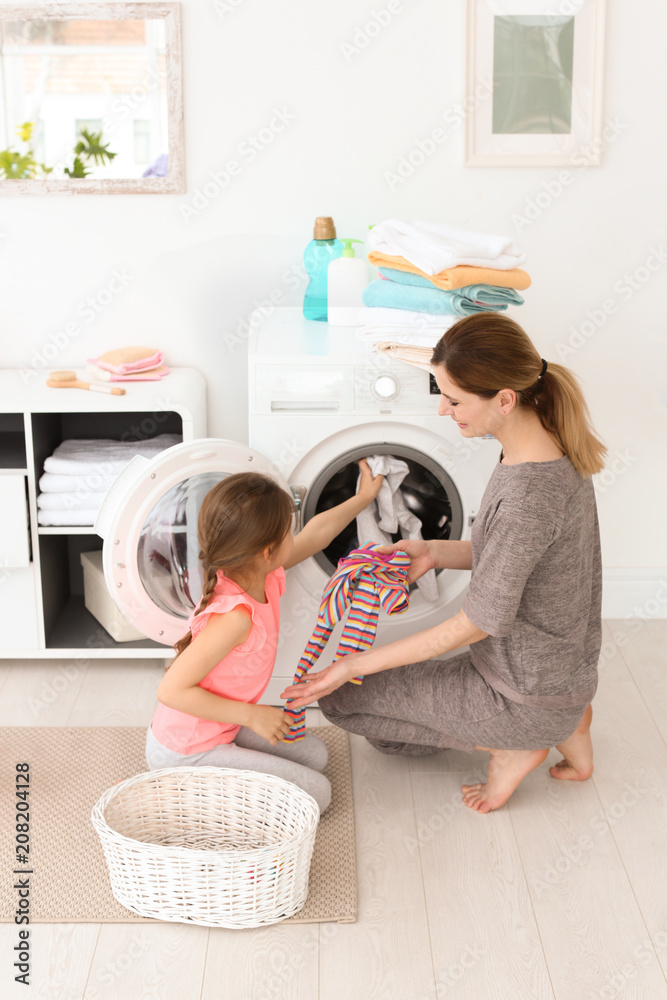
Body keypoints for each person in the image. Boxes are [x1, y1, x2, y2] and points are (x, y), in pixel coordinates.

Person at [281, 313, 606, 814]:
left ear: (504, 399)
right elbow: (523, 562)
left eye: (454, 399)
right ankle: (571, 725)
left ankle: (517, 745)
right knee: (383, 689)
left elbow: (479, 621)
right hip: (562, 675)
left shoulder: (527, 495)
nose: (441, 410)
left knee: (341, 701)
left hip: (519, 696)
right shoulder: (549, 449)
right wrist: (434, 552)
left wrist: (351, 665)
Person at [144, 461, 383, 814]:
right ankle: (184, 795)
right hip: (186, 750)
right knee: (317, 795)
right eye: (288, 531)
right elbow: (171, 691)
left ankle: (221, 780)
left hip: (220, 727)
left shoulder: (261, 573)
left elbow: (317, 535)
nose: (294, 537)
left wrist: (363, 499)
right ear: (268, 550)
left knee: (316, 756)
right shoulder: (234, 618)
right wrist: (252, 715)